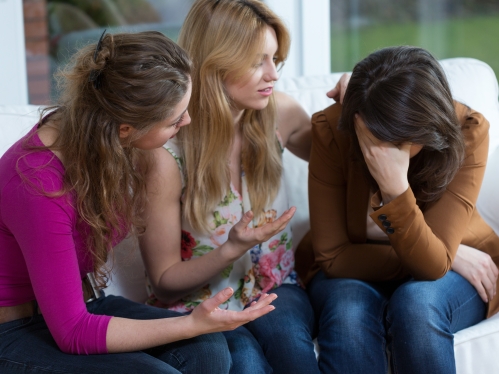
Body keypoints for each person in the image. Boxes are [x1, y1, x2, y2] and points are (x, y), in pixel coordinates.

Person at [0, 31, 279, 374]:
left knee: (207, 350)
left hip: (81, 306)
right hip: (14, 330)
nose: (187, 122)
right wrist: (191, 322)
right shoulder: (36, 182)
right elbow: (72, 332)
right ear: (125, 129)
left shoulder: (103, 140)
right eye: (175, 120)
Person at [139, 1, 320, 373]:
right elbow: (164, 283)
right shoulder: (167, 154)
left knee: (292, 348)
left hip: (276, 288)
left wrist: (357, 99)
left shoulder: (280, 114)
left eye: (274, 59)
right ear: (214, 64)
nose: (273, 74)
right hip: (198, 307)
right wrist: (232, 248)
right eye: (257, 61)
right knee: (246, 364)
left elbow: (346, 157)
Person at [295, 45, 499, 374]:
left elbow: (433, 268)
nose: (382, 149)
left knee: (417, 304)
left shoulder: (468, 130)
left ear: (429, 124)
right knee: (348, 313)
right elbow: (334, 257)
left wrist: (395, 187)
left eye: (399, 140)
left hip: (449, 275)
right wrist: (445, 254)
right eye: (373, 137)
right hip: (359, 271)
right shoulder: (335, 128)